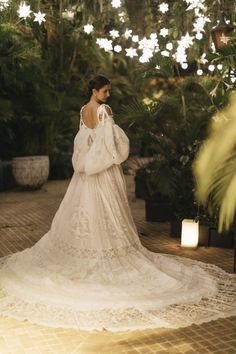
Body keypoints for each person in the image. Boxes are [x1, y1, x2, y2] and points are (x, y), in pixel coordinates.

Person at [0, 75, 235, 332]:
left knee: (87, 214)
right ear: (94, 90)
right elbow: (113, 145)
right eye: (105, 91)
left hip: (85, 176)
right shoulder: (104, 111)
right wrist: (108, 158)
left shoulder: (83, 111)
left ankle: (93, 249)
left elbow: (83, 143)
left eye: (108, 91)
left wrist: (88, 163)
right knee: (110, 213)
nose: (108, 95)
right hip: (103, 173)